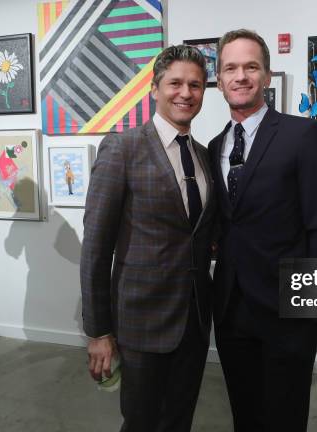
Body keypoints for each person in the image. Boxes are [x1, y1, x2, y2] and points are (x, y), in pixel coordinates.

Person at [208, 29, 317, 432]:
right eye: (230, 68)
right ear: (219, 80)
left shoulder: (302, 135)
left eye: (251, 66)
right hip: (231, 310)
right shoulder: (215, 146)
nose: (241, 76)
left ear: (267, 75)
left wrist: (313, 311)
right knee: (245, 416)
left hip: (288, 314)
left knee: (284, 418)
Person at [80, 45, 216, 432]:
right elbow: (95, 248)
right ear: (154, 89)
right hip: (140, 322)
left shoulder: (205, 157)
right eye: (175, 83)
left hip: (194, 319)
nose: (185, 93)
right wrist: (98, 331)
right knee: (141, 422)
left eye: (195, 84)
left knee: (179, 420)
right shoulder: (123, 148)